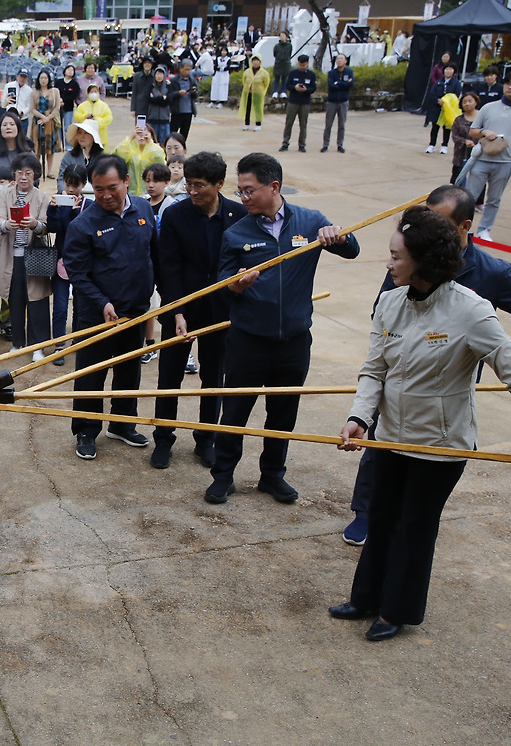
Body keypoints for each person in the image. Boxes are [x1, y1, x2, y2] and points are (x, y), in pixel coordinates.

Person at [331, 207, 511, 642]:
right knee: (383, 515)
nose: (388, 263)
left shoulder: (472, 311)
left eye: (396, 256)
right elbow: (374, 370)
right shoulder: (391, 302)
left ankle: (397, 610)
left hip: (441, 445)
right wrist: (359, 416)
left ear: (423, 260)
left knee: (414, 525)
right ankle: (366, 597)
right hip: (391, 436)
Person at [205, 152, 359, 505]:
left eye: (249, 190)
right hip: (247, 340)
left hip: (292, 341)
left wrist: (339, 237)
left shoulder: (309, 222)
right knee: (234, 412)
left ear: (274, 187)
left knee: (283, 412)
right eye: (240, 191)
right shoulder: (236, 233)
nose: (242, 198)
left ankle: (273, 476)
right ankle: (223, 475)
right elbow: (222, 281)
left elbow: (352, 250)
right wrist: (236, 285)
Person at [152, 151, 245, 470]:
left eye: (200, 185)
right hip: (181, 308)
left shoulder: (237, 215)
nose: (192, 191)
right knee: (169, 377)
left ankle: (206, 439)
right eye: (189, 184)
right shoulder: (176, 216)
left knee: (213, 377)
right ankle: (163, 438)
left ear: (219, 184)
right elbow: (168, 267)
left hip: (221, 311)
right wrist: (177, 311)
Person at [62, 154, 158, 460]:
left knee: (129, 369)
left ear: (127, 181)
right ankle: (87, 430)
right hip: (96, 314)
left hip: (136, 310)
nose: (105, 195)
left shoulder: (143, 209)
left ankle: (122, 423)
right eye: (98, 188)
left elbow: (153, 253)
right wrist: (102, 301)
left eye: (112, 187)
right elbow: (77, 273)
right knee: (91, 374)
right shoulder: (83, 225)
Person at [462, 71, 511, 241]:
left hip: (505, 161)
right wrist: (484, 132)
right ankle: (463, 228)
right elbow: (473, 130)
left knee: (494, 199)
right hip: (482, 159)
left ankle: (484, 229)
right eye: (507, 83)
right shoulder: (488, 108)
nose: (510, 87)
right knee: (470, 197)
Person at [0, 153, 50, 361]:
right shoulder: (5, 195)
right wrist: (6, 225)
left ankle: (38, 346)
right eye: (20, 172)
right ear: (14, 175)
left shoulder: (42, 196)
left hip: (34, 255)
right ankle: (18, 343)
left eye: (28, 172)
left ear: (35, 175)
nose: (24, 176)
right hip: (12, 256)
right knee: (15, 300)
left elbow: (45, 226)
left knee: (37, 300)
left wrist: (34, 224)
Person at [47, 166, 88, 366]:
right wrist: (54, 208)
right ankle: (59, 345)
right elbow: (54, 227)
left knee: (80, 305)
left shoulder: (87, 205)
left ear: (83, 184)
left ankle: (78, 339)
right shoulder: (56, 202)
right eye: (68, 183)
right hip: (60, 261)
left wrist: (73, 213)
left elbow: (78, 231)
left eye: (76, 184)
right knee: (60, 306)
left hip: (81, 264)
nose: (71, 189)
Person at [113, 124, 166, 198]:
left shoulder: (155, 149)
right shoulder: (128, 149)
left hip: (149, 194)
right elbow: (117, 159)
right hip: (129, 194)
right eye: (139, 133)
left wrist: (150, 144)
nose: (142, 136)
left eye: (145, 133)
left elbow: (161, 164)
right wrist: (129, 139)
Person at [0, 111, 34, 187]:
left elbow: (35, 179)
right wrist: (0, 185)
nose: (8, 127)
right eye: (4, 125)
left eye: (12, 124)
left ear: (18, 128)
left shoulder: (28, 154)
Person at [280, 55, 316, 153]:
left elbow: (313, 88)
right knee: (289, 123)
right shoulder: (293, 73)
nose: (302, 67)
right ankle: (285, 143)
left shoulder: (311, 74)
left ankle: (302, 144)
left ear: (307, 64)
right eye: (300, 65)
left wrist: (306, 89)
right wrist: (295, 87)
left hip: (305, 102)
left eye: (304, 65)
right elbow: (288, 85)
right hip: (293, 101)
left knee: (303, 125)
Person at [424, 63, 462, 154]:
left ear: (454, 72)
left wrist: (446, 102)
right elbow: (432, 94)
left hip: (448, 109)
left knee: (447, 128)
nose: (448, 71)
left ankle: (444, 145)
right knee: (435, 127)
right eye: (446, 69)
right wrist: (438, 101)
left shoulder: (456, 83)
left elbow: (455, 95)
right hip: (437, 108)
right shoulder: (438, 82)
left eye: (450, 69)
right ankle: (432, 145)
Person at [32, 69, 62, 180]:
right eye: (41, 78)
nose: (43, 80)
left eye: (45, 78)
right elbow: (32, 108)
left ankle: (49, 171)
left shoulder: (55, 91)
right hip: (38, 121)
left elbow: (57, 107)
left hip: (50, 122)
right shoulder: (34, 92)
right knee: (37, 147)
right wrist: (42, 117)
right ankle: (37, 171)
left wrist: (48, 118)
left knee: (50, 148)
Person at [322, 54, 354, 153]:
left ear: (345, 61)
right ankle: (325, 144)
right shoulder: (332, 73)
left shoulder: (349, 72)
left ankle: (340, 144)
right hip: (332, 101)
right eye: (337, 59)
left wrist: (338, 83)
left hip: (343, 101)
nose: (339, 61)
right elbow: (331, 85)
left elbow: (350, 84)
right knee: (328, 124)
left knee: (341, 124)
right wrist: (343, 84)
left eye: (341, 59)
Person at [58, 119, 102, 185]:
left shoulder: (102, 158)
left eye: (86, 133)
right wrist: (64, 192)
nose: (82, 136)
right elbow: (61, 178)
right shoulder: (69, 156)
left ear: (93, 137)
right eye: (79, 133)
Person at [167, 59, 199, 141]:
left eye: (189, 69)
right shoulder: (174, 81)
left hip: (188, 112)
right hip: (177, 112)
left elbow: (196, 95)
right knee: (172, 134)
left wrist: (193, 92)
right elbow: (169, 96)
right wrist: (178, 93)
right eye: (186, 69)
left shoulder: (192, 80)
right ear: (180, 68)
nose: (187, 72)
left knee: (184, 136)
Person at [74, 83, 113, 148]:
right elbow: (77, 116)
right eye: (91, 92)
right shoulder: (82, 105)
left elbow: (109, 118)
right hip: (86, 135)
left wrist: (97, 120)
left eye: (95, 91)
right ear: (88, 93)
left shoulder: (104, 106)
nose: (93, 93)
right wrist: (85, 116)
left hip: (101, 135)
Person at [239, 56, 270, 131]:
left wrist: (262, 92)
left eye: (257, 61)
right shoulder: (247, 71)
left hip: (258, 93)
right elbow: (244, 81)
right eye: (254, 61)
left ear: (260, 62)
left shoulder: (264, 73)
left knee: (258, 108)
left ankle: (258, 124)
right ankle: (247, 124)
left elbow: (266, 83)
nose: (255, 62)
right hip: (248, 93)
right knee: (247, 108)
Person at [144, 66, 172, 146]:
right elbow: (149, 99)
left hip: (164, 118)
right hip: (153, 117)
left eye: (161, 74)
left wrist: (156, 99)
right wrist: (161, 98)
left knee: (164, 142)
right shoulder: (151, 86)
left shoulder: (168, 86)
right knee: (152, 141)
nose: (159, 76)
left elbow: (168, 101)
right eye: (157, 74)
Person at [57, 64, 81, 143]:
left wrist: (63, 100)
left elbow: (73, 96)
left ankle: (68, 144)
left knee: (67, 127)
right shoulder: (59, 82)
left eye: (72, 70)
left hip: (68, 108)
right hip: (57, 108)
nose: (70, 71)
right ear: (65, 71)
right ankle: (59, 143)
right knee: (58, 126)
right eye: (68, 69)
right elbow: (55, 92)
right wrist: (59, 101)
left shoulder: (75, 84)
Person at [271, 31, 292, 99]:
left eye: (283, 35)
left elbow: (289, 54)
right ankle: (275, 92)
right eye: (281, 35)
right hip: (278, 63)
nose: (282, 37)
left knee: (284, 79)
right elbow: (275, 54)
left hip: (285, 64)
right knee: (277, 79)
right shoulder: (277, 46)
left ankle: (283, 92)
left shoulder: (289, 46)